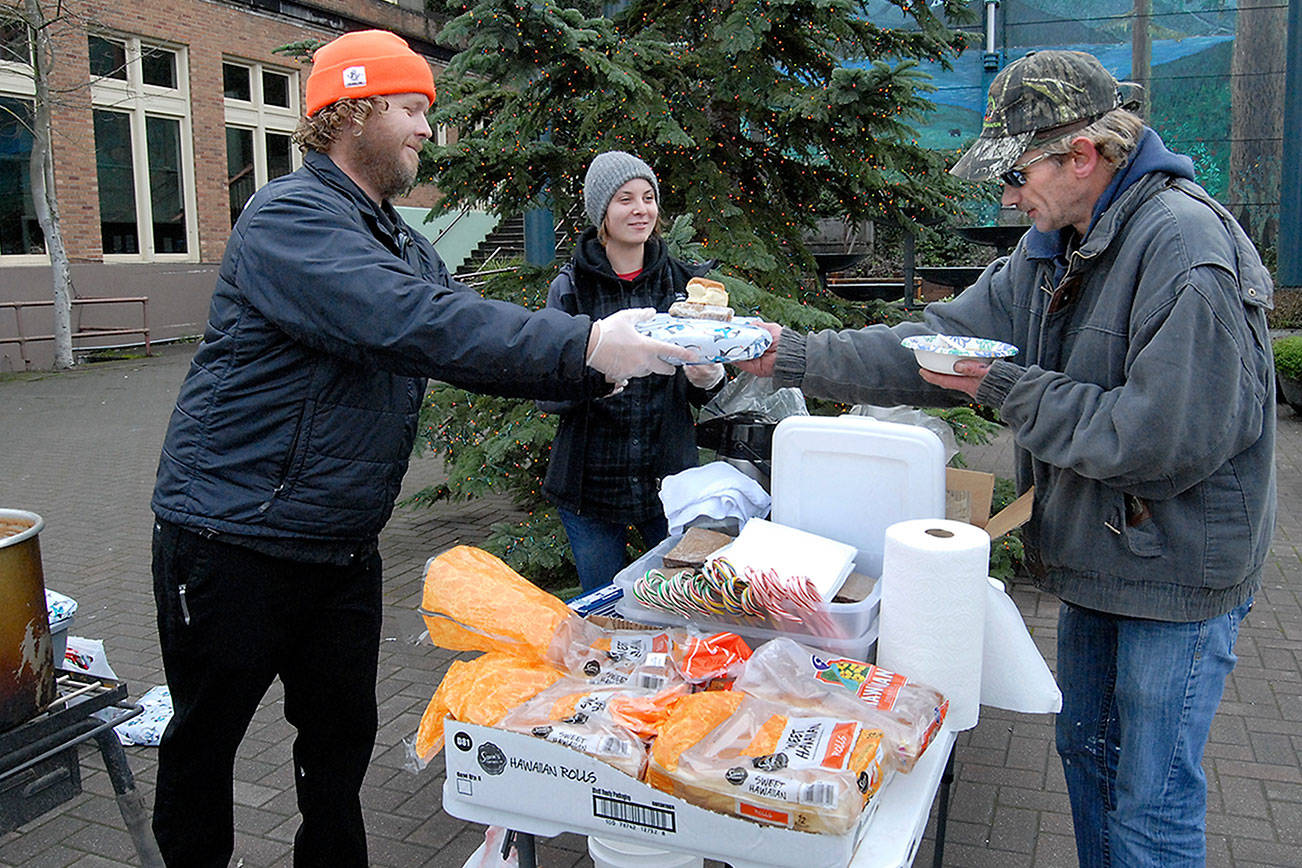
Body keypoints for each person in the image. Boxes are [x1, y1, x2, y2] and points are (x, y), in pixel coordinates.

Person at [148, 30, 694, 867]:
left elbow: (468, 338)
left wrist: (604, 370)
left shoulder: (398, 240)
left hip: (339, 546)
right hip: (233, 538)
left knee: (338, 747)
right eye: (410, 108)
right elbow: (412, 321)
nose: (426, 129)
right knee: (205, 743)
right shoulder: (290, 218)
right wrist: (586, 344)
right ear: (350, 111)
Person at [736, 49, 1274, 867]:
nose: (1009, 198)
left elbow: (1159, 443)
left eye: (1017, 176)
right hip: (1099, 555)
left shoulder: (1183, 248)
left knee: (1150, 801)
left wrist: (1006, 388)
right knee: (1089, 757)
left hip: (1177, 573)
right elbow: (935, 344)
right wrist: (794, 355)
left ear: (1083, 156)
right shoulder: (1051, 247)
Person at [538, 151, 726, 592]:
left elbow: (706, 389)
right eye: (625, 199)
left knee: (679, 604)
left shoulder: (683, 287)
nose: (640, 209)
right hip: (590, 486)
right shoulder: (570, 289)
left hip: (670, 483)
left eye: (648, 197)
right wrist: (601, 375)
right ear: (601, 211)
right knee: (602, 609)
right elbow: (547, 391)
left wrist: (708, 379)